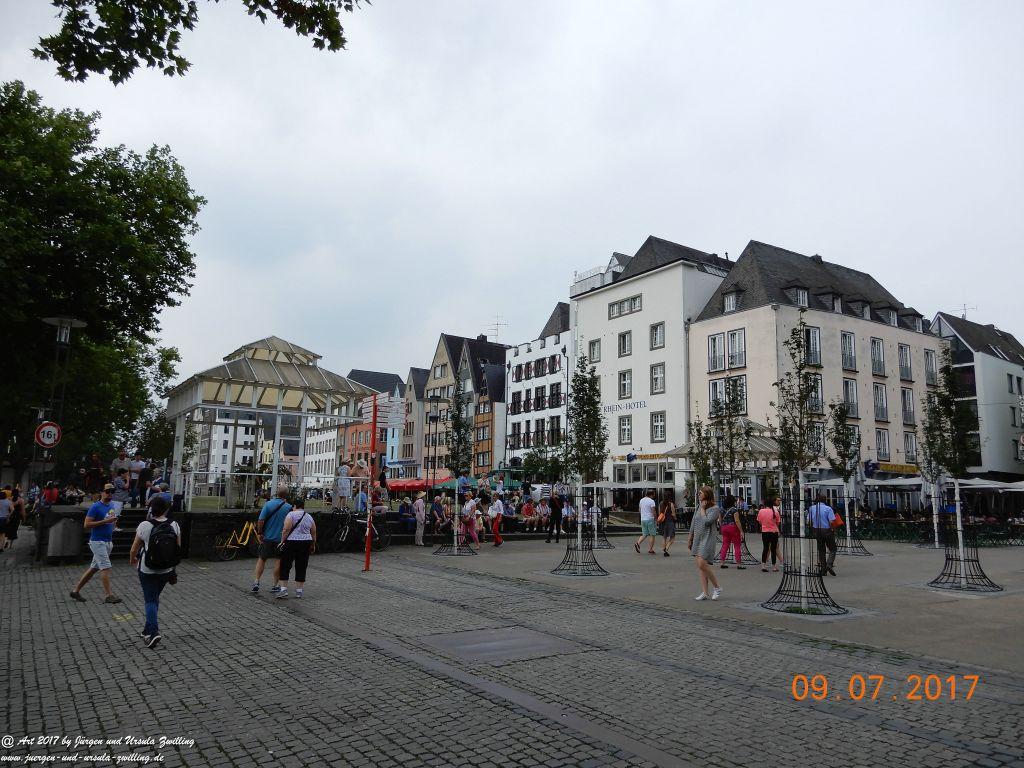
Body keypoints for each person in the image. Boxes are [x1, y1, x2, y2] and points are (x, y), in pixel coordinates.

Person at [128, 495, 180, 648]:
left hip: (147, 568)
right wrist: (173, 570)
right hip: (166, 569)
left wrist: (132, 560)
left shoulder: (145, 525)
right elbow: (177, 549)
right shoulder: (175, 525)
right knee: (154, 598)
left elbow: (134, 548)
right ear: (166, 509)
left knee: (150, 600)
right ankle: (147, 629)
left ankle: (153, 632)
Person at [70, 484, 122, 603]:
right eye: (107, 491)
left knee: (94, 568)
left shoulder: (112, 505)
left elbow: (111, 520)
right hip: (97, 541)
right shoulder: (95, 506)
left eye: (112, 491)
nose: (110, 493)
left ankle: (75, 591)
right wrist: (106, 521)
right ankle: (108, 595)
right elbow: (86, 525)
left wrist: (114, 524)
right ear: (102, 492)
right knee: (106, 567)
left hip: (107, 541)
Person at [251, 489, 292, 594]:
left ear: (276, 493)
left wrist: (260, 533)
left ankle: (256, 582)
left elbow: (261, 520)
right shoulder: (288, 507)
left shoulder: (268, 504)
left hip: (267, 537)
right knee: (278, 561)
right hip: (281, 539)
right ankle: (275, 585)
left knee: (262, 559)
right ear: (286, 495)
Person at [277, 499, 316, 599]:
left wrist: (282, 540)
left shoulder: (291, 515)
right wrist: (313, 544)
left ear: (294, 506)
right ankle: (299, 591)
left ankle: (284, 590)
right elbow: (313, 531)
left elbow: (286, 529)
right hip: (305, 542)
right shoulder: (309, 516)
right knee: (302, 565)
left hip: (291, 542)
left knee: (285, 565)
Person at [688, 487, 723, 600]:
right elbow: (694, 522)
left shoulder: (715, 508)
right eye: (699, 492)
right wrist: (690, 538)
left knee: (703, 563)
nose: (698, 494)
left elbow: (707, 522)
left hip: (707, 538)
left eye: (701, 493)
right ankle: (705, 592)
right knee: (700, 566)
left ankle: (717, 587)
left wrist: (703, 509)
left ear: (707, 494)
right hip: (698, 538)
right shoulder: (698, 506)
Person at [808, 494, 838, 576]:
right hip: (827, 530)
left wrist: (812, 529)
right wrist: (833, 530)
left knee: (821, 550)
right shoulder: (828, 509)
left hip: (816, 530)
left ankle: (823, 569)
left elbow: (809, 521)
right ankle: (829, 564)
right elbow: (832, 522)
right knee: (833, 548)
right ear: (825, 500)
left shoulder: (811, 508)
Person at [718, 495, 746, 569]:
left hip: (724, 528)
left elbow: (720, 520)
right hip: (733, 528)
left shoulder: (721, 509)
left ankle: (722, 562)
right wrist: (741, 531)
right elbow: (737, 521)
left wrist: (722, 527)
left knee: (725, 545)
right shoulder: (734, 509)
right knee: (737, 545)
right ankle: (739, 564)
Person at [757, 497, 782, 572]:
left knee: (765, 548)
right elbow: (778, 523)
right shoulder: (776, 512)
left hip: (765, 531)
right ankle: (774, 566)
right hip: (774, 532)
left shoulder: (761, 511)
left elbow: (759, 521)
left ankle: (763, 565)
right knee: (773, 549)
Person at [634, 489, 658, 555]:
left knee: (644, 534)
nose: (654, 495)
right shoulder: (652, 501)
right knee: (652, 535)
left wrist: (643, 515)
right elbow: (653, 511)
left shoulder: (641, 500)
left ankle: (637, 543)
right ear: (651, 494)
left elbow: (639, 510)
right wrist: (656, 519)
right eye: (654, 494)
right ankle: (650, 549)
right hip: (650, 519)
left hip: (643, 519)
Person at [659, 492, 677, 557]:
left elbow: (660, 512)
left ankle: (664, 549)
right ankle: (666, 549)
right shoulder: (671, 504)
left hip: (663, 522)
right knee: (672, 537)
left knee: (664, 537)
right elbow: (673, 514)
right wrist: (675, 518)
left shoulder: (661, 503)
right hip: (670, 522)